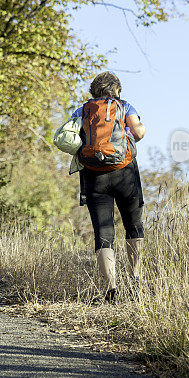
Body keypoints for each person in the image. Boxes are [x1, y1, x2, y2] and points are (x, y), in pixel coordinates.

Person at [70, 72, 146, 302]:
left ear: (94, 90)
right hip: (125, 174)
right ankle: (135, 278)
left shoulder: (82, 110)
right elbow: (138, 133)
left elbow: (69, 138)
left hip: (94, 177)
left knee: (104, 233)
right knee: (133, 226)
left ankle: (111, 287)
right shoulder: (124, 106)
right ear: (117, 90)